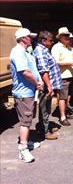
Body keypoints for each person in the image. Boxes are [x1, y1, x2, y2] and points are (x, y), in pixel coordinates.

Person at [10, 28, 42, 163]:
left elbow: (31, 69)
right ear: (24, 38)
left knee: (28, 119)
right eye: (30, 37)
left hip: (29, 91)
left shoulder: (24, 51)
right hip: (24, 92)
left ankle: (27, 142)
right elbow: (24, 72)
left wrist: (37, 82)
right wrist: (37, 83)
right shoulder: (18, 52)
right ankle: (23, 149)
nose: (32, 39)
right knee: (25, 121)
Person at [33, 30, 62, 140]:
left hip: (48, 86)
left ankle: (44, 127)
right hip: (45, 87)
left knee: (47, 109)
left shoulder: (45, 50)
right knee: (44, 109)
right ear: (44, 41)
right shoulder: (40, 51)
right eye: (51, 40)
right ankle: (44, 132)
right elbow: (43, 71)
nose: (53, 42)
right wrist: (49, 86)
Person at [51, 27, 73, 126]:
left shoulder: (68, 47)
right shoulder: (56, 48)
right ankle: (62, 117)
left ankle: (65, 112)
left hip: (70, 75)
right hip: (62, 76)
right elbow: (55, 62)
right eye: (65, 35)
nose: (68, 37)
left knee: (68, 96)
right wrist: (69, 62)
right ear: (60, 37)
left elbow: (71, 59)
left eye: (68, 35)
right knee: (62, 97)